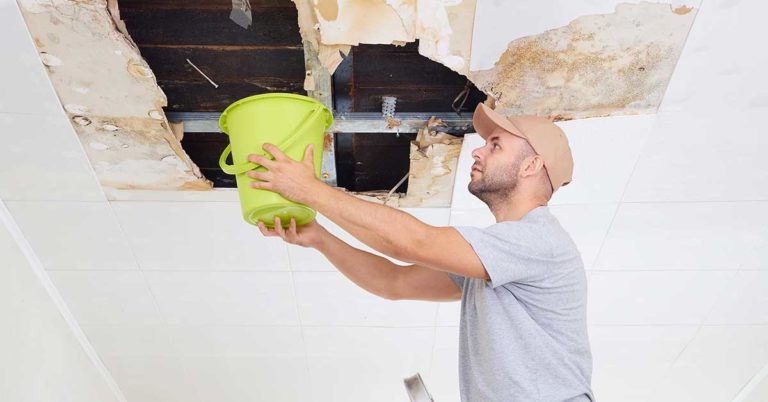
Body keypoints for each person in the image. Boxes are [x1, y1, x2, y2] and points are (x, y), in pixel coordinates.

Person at [248, 103, 593, 402]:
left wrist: (310, 191)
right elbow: (393, 281)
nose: (478, 151)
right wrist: (321, 237)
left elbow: (412, 242)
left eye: (496, 145)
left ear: (531, 166)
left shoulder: (538, 241)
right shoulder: (496, 258)